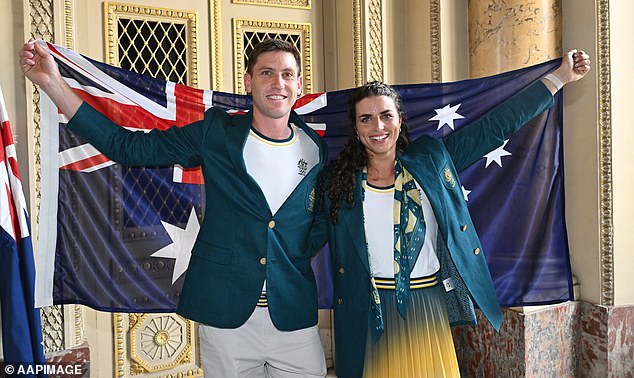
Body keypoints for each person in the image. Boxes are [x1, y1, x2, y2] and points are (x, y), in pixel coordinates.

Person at [20, 38, 327, 377]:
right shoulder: (216, 132)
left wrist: (289, 257)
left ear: (299, 84)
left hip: (293, 317)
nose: (277, 83)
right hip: (225, 319)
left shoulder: (315, 148)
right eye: (267, 72)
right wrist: (53, 83)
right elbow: (128, 148)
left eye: (287, 74)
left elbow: (317, 225)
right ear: (248, 81)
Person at [313, 50, 590, 377]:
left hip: (425, 306)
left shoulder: (431, 159)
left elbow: (495, 127)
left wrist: (560, 78)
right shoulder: (337, 183)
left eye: (386, 115)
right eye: (366, 119)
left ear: (400, 120)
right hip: (367, 312)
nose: (378, 126)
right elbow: (303, 237)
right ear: (356, 129)